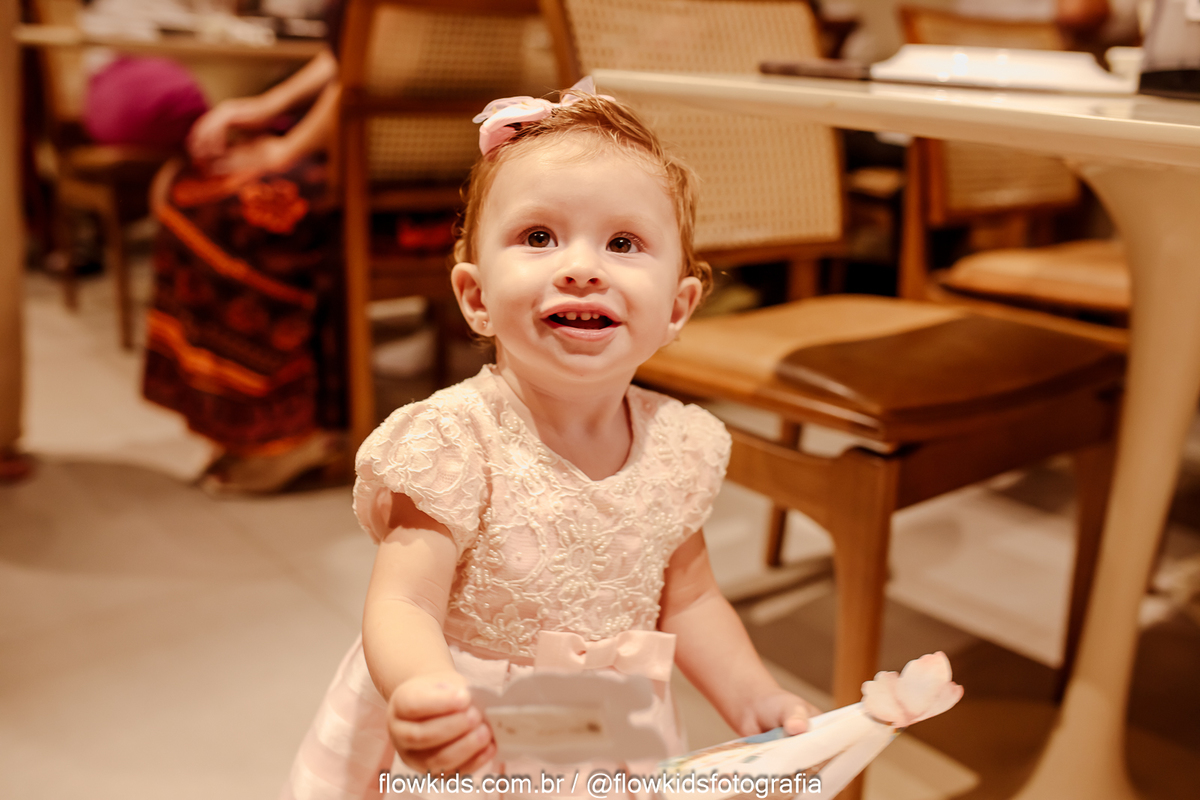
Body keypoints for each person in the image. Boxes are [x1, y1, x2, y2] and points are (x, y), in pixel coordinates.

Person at [280, 82, 817, 799]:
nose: (582, 268)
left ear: (677, 307)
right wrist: (420, 689)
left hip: (607, 737)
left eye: (623, 243)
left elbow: (689, 603)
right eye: (539, 237)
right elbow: (404, 604)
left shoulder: (674, 445)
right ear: (476, 297)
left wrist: (755, 701)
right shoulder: (453, 441)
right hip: (474, 739)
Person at [141, 47, 348, 494]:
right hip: (350, 139)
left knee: (235, 207)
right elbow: (345, 54)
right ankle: (235, 422)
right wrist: (264, 107)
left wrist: (288, 149)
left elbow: (372, 69)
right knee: (186, 184)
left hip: (375, 155)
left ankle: (287, 435)